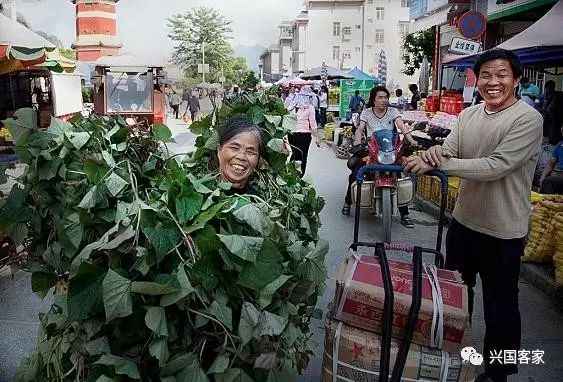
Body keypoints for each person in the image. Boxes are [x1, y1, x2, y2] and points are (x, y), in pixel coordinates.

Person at [404, 48, 543, 382]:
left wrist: (437, 162)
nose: (493, 82)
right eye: (486, 75)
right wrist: (435, 152)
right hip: (464, 223)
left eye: (501, 75)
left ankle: (498, 373)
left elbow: (497, 166)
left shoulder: (527, 119)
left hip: (504, 232)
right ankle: (455, 359)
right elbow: (449, 149)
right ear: (476, 80)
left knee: (501, 308)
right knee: (456, 298)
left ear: (516, 79)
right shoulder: (469, 115)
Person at [342, 86, 418, 228]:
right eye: (380, 97)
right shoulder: (366, 113)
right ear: (373, 100)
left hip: (390, 148)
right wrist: (358, 142)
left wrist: (411, 140)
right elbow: (359, 129)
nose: (384, 100)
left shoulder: (393, 111)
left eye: (386, 97)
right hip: (372, 148)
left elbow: (402, 127)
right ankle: (348, 201)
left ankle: (405, 213)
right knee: (357, 171)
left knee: (400, 174)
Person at [216, 116, 263, 195]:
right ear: (219, 150)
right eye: (234, 148)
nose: (241, 157)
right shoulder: (199, 192)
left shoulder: (256, 202)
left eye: (250, 152)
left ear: (258, 159)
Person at [288, 86, 322, 176]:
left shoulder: (292, 106)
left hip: (292, 134)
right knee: (303, 156)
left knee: (295, 154)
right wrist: (317, 137)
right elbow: (313, 124)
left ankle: (290, 174)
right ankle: (300, 176)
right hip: (304, 135)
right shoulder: (310, 108)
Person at [539, 123, 563, 194]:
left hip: (558, 177)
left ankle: (546, 202)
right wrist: (543, 175)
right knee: (535, 176)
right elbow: (551, 163)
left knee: (549, 181)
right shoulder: (560, 145)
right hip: (559, 178)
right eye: (561, 127)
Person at [539, 80, 563, 144]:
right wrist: (543, 111)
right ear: (546, 88)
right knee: (548, 132)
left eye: (552, 87)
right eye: (549, 87)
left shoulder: (559, 95)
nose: (551, 89)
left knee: (555, 132)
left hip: (557, 117)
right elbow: (539, 105)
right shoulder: (543, 96)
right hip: (547, 117)